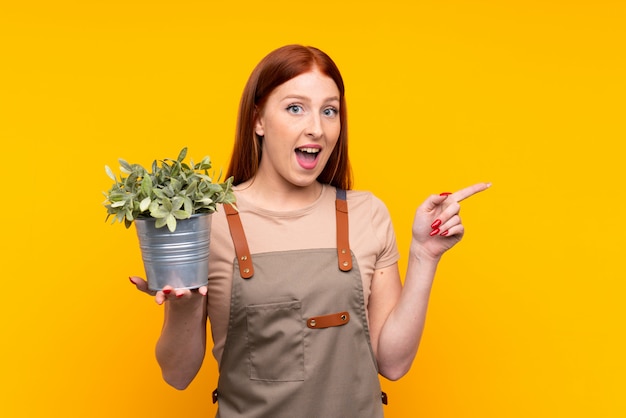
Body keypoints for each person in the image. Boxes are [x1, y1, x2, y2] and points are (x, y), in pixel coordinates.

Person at [129, 44, 490, 417]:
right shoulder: (209, 221)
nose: (316, 128)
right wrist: (183, 307)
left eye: (329, 111)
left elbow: (393, 364)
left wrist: (424, 254)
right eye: (295, 108)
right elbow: (177, 374)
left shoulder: (367, 214)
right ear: (258, 120)